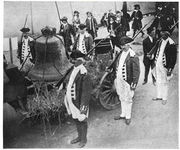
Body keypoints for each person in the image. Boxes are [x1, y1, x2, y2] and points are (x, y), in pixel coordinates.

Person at [64, 50, 93, 148]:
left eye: (74, 60)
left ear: (80, 60)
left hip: (79, 102)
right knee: (76, 119)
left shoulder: (84, 73)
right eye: (72, 60)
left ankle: (84, 140)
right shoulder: (74, 69)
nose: (72, 62)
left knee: (82, 121)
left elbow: (86, 93)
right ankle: (79, 137)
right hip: (72, 101)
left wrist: (83, 108)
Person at [113, 36, 140, 125]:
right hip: (119, 80)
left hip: (128, 81)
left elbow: (136, 71)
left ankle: (128, 116)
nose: (122, 47)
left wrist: (134, 83)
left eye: (124, 45)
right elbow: (117, 65)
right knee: (121, 97)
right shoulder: (121, 53)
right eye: (121, 46)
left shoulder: (133, 56)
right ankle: (123, 114)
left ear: (128, 45)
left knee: (128, 99)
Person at [147, 31, 177, 105]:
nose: (162, 36)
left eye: (163, 35)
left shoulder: (171, 44)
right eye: (161, 35)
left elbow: (173, 58)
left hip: (165, 65)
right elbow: (155, 47)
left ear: (167, 35)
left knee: (165, 82)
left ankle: (165, 98)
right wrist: (150, 53)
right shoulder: (160, 41)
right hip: (158, 63)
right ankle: (159, 96)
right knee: (159, 80)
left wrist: (170, 68)